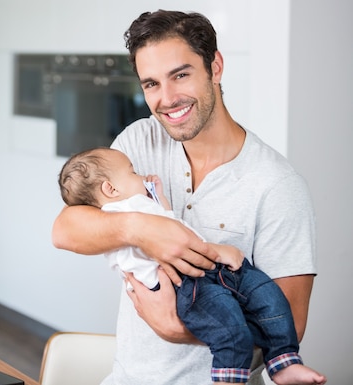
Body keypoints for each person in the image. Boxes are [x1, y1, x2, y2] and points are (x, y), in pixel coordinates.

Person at [52, 9, 322, 385]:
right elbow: (66, 229)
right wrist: (142, 229)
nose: (167, 99)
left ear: (215, 67)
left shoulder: (277, 185)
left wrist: (177, 328)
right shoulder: (138, 142)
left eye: (180, 75)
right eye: (151, 84)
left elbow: (289, 321)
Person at [58, 146, 326, 385]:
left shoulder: (279, 181)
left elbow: (168, 222)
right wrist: (217, 251)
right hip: (187, 284)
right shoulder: (115, 213)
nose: (140, 175)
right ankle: (229, 377)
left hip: (213, 273)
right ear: (111, 189)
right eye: (133, 172)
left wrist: (158, 196)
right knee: (231, 325)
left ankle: (284, 361)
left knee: (269, 296)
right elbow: (172, 247)